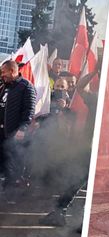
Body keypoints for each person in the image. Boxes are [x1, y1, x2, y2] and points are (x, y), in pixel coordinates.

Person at [39, 64, 100, 227]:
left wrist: (94, 71)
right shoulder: (97, 98)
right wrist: (94, 71)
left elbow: (80, 86)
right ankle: (63, 213)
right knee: (79, 180)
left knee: (82, 182)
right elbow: (81, 86)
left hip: (96, 148)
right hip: (89, 147)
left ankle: (73, 217)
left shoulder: (101, 98)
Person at [0, 60, 36, 198]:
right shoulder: (4, 85)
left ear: (12, 71)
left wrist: (23, 128)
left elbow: (29, 109)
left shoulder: (25, 86)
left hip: (13, 133)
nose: (2, 75)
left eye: (3, 72)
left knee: (12, 163)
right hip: (1, 132)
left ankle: (10, 194)